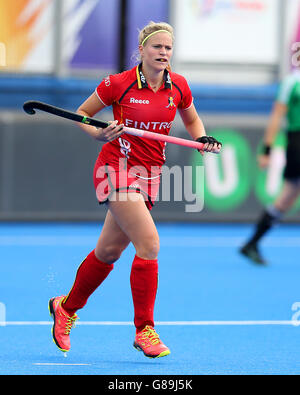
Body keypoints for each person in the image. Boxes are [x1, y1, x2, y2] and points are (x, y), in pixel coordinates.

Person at [49, 21, 222, 358]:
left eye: (168, 48)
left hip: (150, 175)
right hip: (115, 169)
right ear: (141, 50)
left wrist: (200, 138)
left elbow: (192, 120)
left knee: (108, 253)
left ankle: (65, 307)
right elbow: (83, 115)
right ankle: (145, 330)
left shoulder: (178, 87)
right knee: (150, 243)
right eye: (157, 47)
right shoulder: (119, 84)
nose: (163, 53)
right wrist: (98, 134)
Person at [240, 67, 300, 265]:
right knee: (288, 195)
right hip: (297, 142)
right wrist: (267, 149)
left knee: (287, 198)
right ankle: (252, 242)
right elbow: (276, 116)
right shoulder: (292, 82)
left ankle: (252, 243)